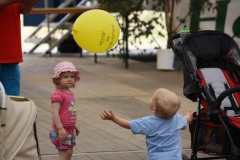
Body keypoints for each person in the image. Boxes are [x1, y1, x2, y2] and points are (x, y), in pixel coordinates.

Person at [100, 88, 193, 160]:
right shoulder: (177, 118)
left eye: (152, 98)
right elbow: (186, 120)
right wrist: (189, 116)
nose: (151, 98)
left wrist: (113, 118)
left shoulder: (149, 122)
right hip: (176, 158)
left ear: (154, 110)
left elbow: (129, 124)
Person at [0, 0, 41, 96]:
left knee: (13, 101)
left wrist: (30, 3)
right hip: (9, 50)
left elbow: (23, 10)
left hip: (10, 52)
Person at [49, 62, 81, 160]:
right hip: (61, 129)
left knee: (69, 152)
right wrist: (60, 129)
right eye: (66, 77)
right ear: (58, 79)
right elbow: (55, 113)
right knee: (64, 155)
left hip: (70, 129)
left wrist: (74, 124)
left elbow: (69, 112)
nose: (70, 79)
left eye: (72, 76)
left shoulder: (70, 93)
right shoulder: (58, 95)